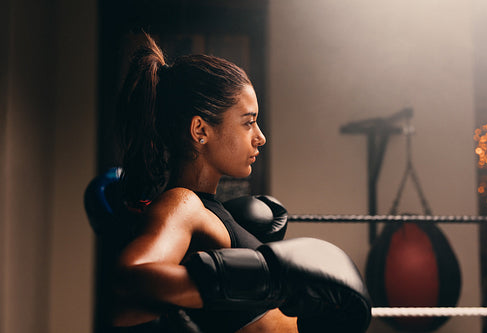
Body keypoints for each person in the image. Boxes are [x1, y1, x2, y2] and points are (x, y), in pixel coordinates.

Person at [109, 33, 371, 333]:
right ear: (200, 130)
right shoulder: (181, 203)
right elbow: (130, 280)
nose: (260, 137)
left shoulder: (210, 211)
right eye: (248, 122)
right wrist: (267, 282)